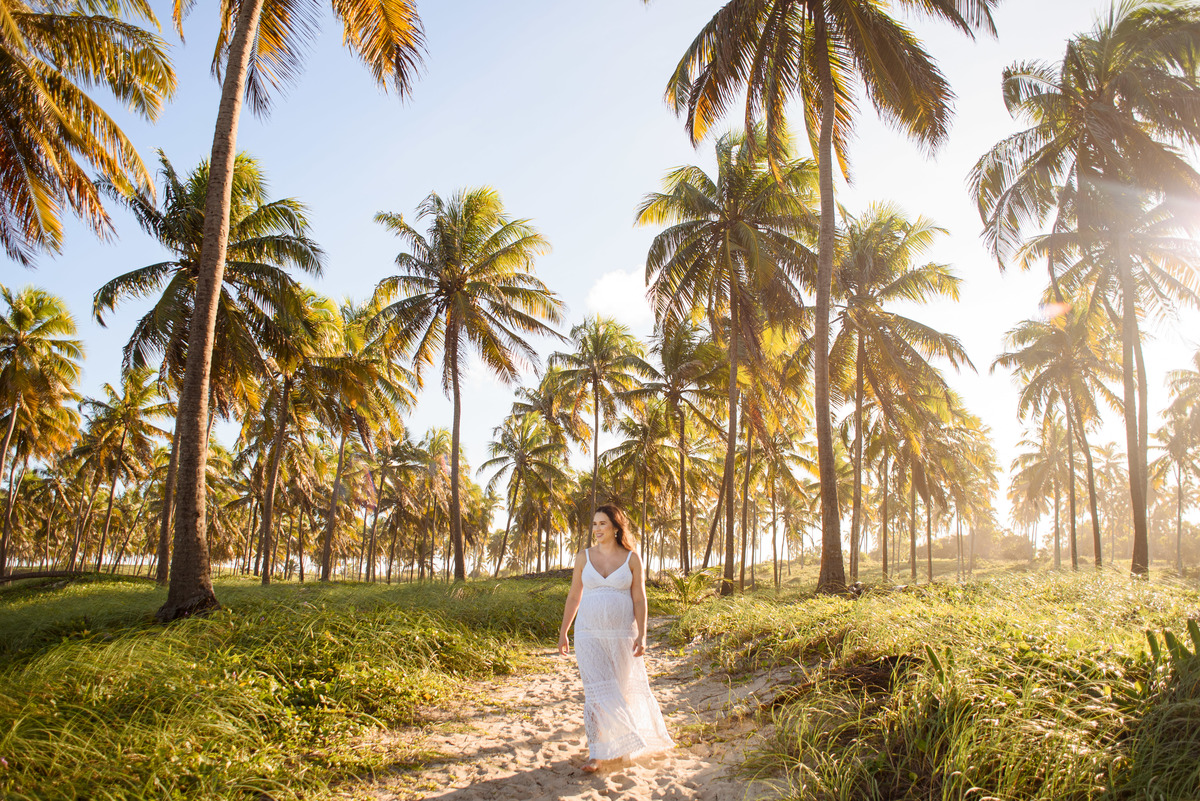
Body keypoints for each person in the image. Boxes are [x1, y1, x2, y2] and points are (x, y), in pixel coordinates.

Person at [558, 504, 674, 773]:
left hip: (623, 634)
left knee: (621, 691)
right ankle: (596, 754)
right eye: (595, 524)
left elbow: (639, 598)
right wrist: (564, 630)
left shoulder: (632, 558)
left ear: (615, 527)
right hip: (587, 635)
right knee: (597, 693)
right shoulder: (583, 557)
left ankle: (626, 747)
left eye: (602, 524)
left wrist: (643, 634)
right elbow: (574, 596)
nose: (597, 529)